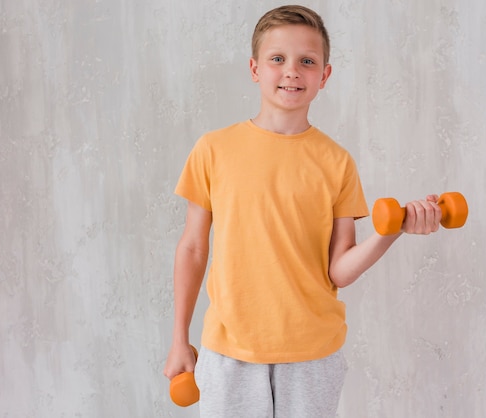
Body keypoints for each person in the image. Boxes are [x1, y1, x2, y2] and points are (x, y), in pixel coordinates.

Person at [164, 5, 441, 417]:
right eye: (278, 59)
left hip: (312, 354)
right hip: (229, 350)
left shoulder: (337, 162)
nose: (292, 71)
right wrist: (178, 337)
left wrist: (393, 229)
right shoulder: (213, 150)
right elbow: (192, 249)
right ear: (255, 69)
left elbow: (339, 271)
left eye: (307, 61)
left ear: (324, 76)